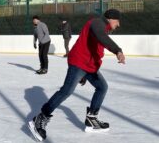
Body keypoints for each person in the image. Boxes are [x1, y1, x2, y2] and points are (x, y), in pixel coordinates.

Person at [28, 9, 126, 141]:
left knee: (102, 87)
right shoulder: (97, 23)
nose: (118, 25)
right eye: (118, 21)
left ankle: (91, 119)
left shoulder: (103, 28)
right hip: (79, 62)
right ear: (111, 18)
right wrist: (117, 51)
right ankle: (40, 118)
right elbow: (102, 38)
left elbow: (94, 51)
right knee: (67, 91)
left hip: (89, 67)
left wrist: (88, 73)